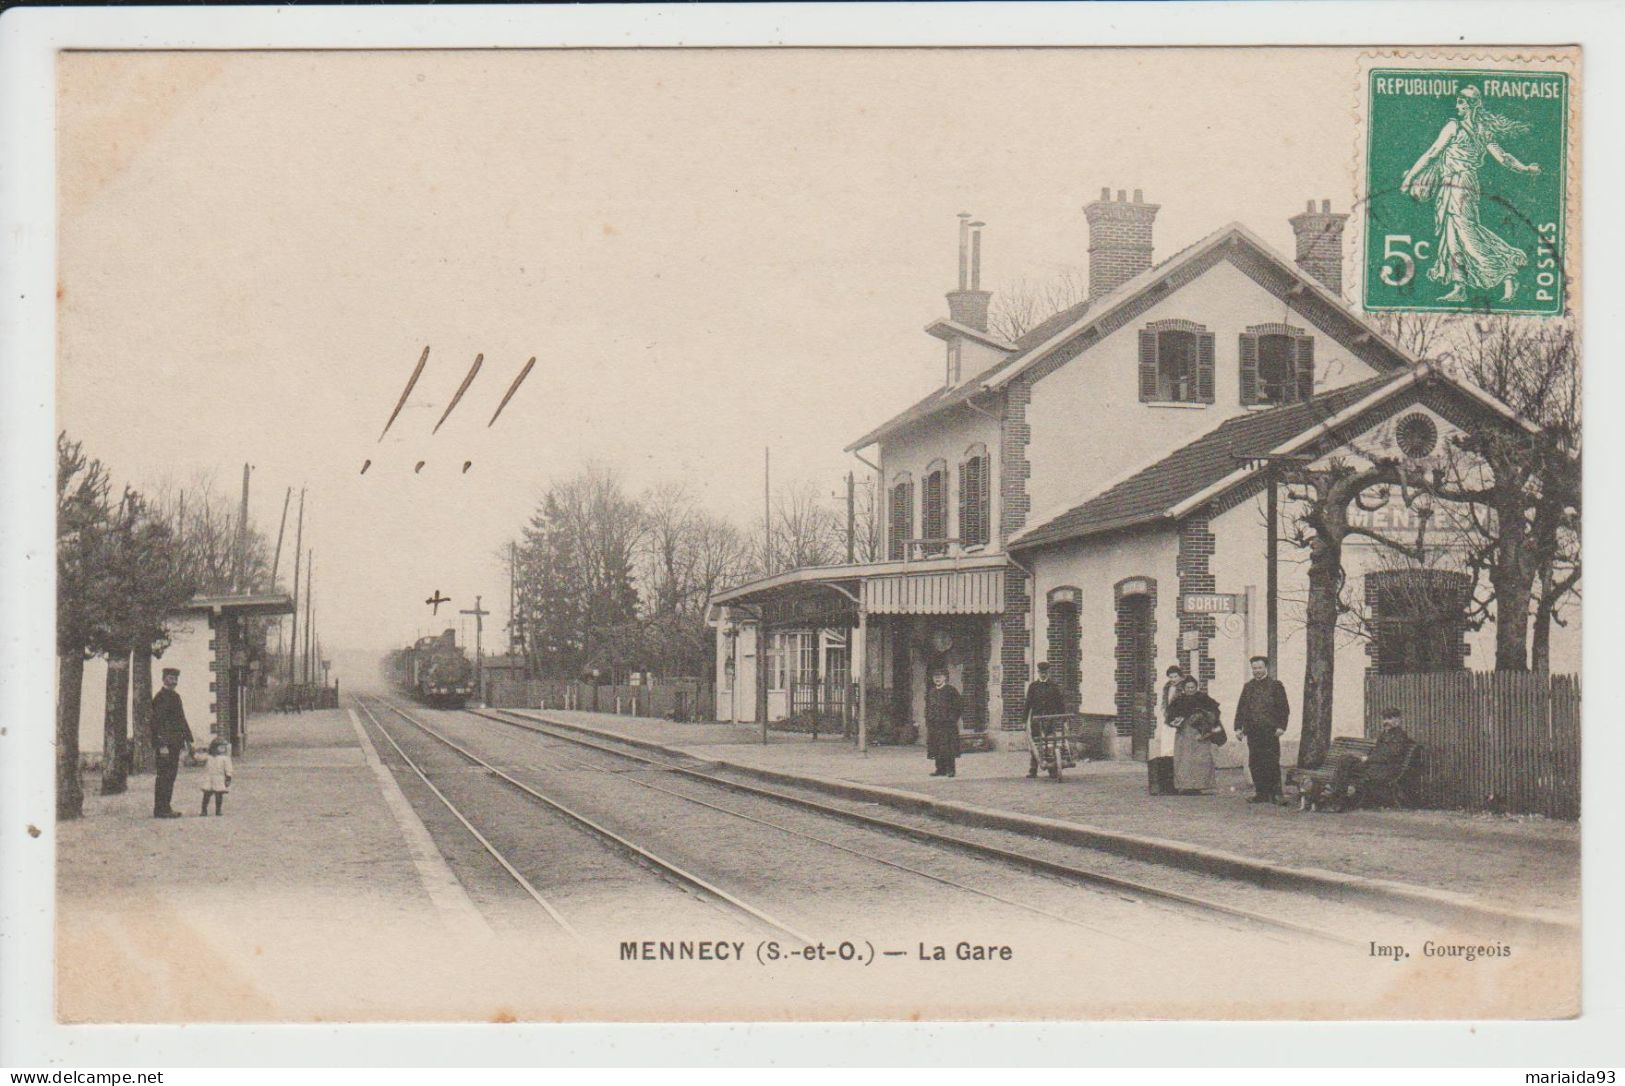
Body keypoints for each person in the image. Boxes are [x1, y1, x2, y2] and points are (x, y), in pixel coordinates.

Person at [1401, 85, 1542, 303]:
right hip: (1457, 184)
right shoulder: (1483, 131)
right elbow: (1503, 157)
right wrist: (1524, 168)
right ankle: (1460, 286)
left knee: (1467, 234)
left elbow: (1431, 154)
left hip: (1459, 183)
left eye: (1461, 103)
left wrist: (1410, 177)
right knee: (1452, 236)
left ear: (1470, 106)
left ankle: (1507, 270)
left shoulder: (1453, 127)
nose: (1457, 107)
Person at [1302, 709, 1418, 813]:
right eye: (1384, 719)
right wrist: (1364, 758)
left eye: (1389, 719)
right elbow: (1377, 752)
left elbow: (1390, 756)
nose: (1385, 722)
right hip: (1374, 766)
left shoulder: (1400, 736)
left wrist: (1368, 759)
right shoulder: (1385, 734)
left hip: (1384, 770)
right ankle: (1332, 793)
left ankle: (1333, 797)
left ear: (1397, 720)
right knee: (1346, 759)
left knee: (1347, 770)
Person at [1234, 655, 1290, 804]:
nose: (1257, 671)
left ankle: (1277, 794)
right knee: (1255, 762)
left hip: (1270, 730)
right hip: (1252, 730)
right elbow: (1241, 708)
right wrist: (1238, 727)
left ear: (1266, 668)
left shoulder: (1276, 685)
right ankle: (1261, 793)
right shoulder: (1248, 687)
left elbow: (1284, 709)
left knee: (1271, 761)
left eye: (1259, 668)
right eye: (1254, 668)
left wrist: (1281, 726)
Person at [150, 666, 195, 819]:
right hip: (166, 746)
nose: (173, 681)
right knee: (163, 776)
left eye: (175, 679)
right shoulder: (160, 698)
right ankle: (160, 809)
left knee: (171, 776)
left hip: (175, 744)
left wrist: (189, 740)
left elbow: (181, 720)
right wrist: (161, 745)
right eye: (170, 678)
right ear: (164, 679)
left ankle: (166, 807)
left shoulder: (176, 697)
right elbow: (157, 723)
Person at [1164, 676, 1219, 794]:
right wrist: (1174, 721)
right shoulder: (1178, 700)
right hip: (1184, 733)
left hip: (1200, 733)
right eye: (1188, 687)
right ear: (1184, 688)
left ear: (1196, 687)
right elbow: (1169, 716)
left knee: (1201, 759)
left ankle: (1200, 785)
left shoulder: (1203, 698)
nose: (1190, 690)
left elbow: (1215, 711)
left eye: (1192, 687)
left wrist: (1205, 718)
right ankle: (1185, 785)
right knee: (1184, 759)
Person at [1023, 661, 1067, 779]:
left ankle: (1052, 768)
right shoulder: (1033, 686)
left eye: (1045, 672)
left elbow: (1060, 703)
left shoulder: (1054, 686)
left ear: (1048, 672)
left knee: (1049, 743)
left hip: (1049, 719)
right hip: (1036, 719)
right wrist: (1024, 720)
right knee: (1036, 742)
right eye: (1041, 672)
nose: (1043, 675)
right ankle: (1033, 769)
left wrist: (1063, 718)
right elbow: (1028, 704)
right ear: (1038, 673)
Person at [924, 666, 963, 778]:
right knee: (936, 747)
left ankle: (950, 770)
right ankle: (940, 769)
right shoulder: (932, 691)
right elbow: (928, 707)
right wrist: (929, 719)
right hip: (935, 725)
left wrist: (951, 719)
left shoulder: (951, 690)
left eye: (939, 677)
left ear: (945, 678)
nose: (937, 679)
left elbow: (958, 706)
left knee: (948, 748)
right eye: (935, 677)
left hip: (947, 725)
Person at [198, 733, 234, 816]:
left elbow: (228, 768)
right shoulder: (208, 757)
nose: (222, 749)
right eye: (220, 747)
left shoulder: (225, 758)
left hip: (219, 778)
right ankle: (204, 810)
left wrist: (228, 777)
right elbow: (199, 758)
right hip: (209, 778)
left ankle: (218, 810)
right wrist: (196, 752)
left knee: (219, 795)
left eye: (223, 747)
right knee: (206, 795)